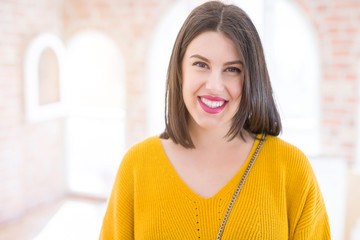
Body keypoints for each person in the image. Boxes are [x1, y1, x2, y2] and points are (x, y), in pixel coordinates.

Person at [99, 1, 330, 239]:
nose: (214, 86)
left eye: (232, 69)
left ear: (251, 78)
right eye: (201, 65)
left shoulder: (291, 170)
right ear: (180, 71)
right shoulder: (136, 167)